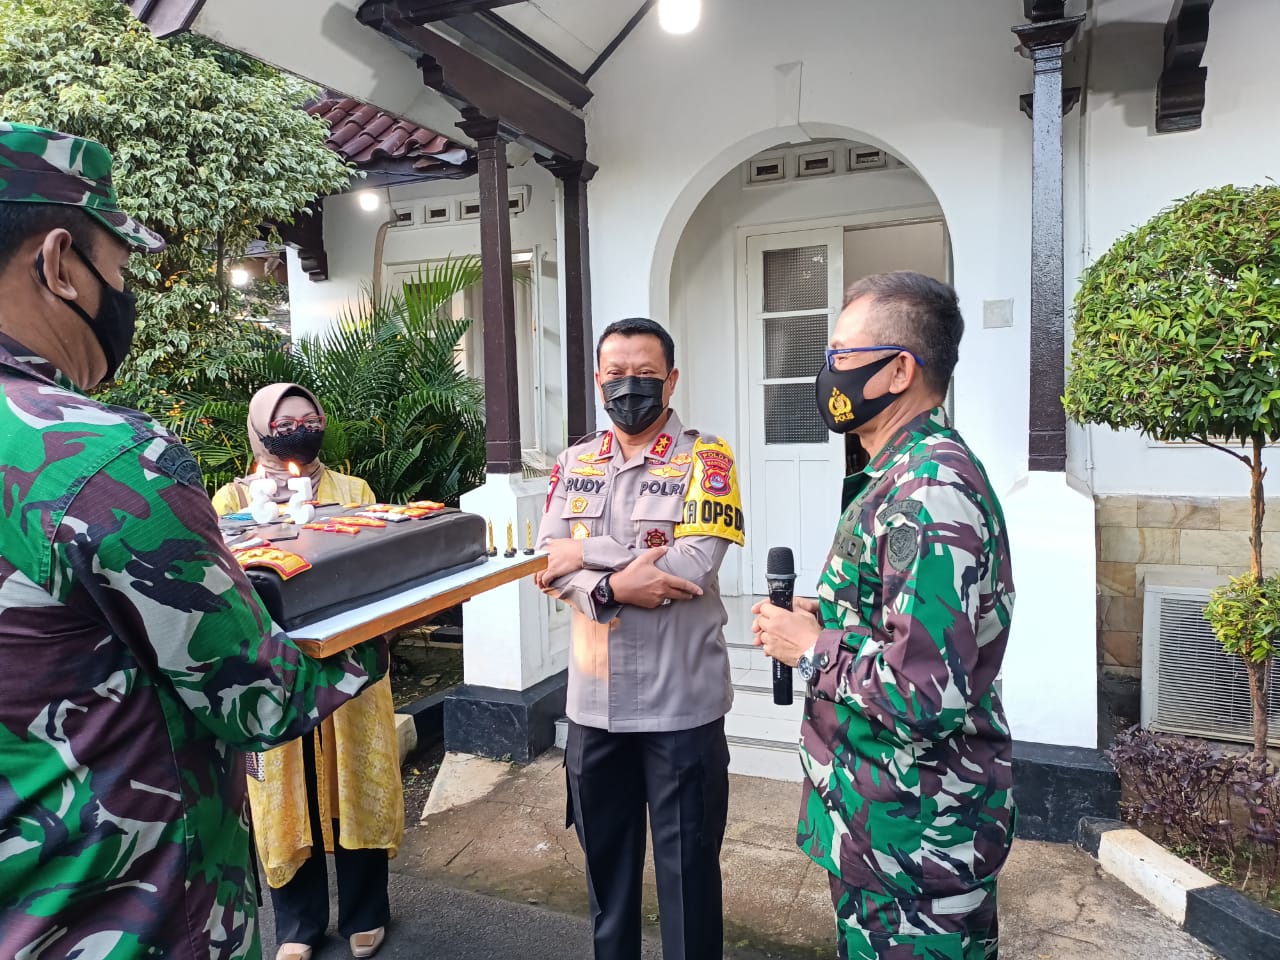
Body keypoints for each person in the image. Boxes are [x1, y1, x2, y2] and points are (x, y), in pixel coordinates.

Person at [0, 122, 387, 960]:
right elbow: (261, 699)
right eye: (119, 269)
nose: (123, 293)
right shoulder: (103, 462)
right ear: (60, 263)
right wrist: (390, 613)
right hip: (122, 920)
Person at [752, 272, 1015, 960]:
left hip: (918, 849)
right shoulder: (897, 473)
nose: (827, 371)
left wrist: (812, 648)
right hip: (881, 832)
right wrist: (827, 614)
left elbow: (926, 692)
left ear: (899, 370)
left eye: (842, 354)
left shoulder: (929, 490)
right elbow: (904, 623)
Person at [534, 317, 745, 960]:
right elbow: (545, 562)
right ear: (599, 379)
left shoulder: (708, 459)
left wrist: (587, 552)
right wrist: (612, 586)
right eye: (617, 374)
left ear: (671, 380)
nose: (631, 387)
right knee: (607, 880)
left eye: (646, 374)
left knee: (689, 881)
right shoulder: (574, 462)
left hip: (680, 706)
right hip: (594, 709)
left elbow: (691, 565)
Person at [212, 384, 400, 960]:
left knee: (355, 781)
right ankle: (299, 923)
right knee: (284, 791)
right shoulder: (232, 500)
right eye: (284, 422)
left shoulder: (353, 491)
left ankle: (366, 911)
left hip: (350, 660)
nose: (299, 429)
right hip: (276, 668)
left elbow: (379, 565)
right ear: (260, 430)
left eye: (308, 417)